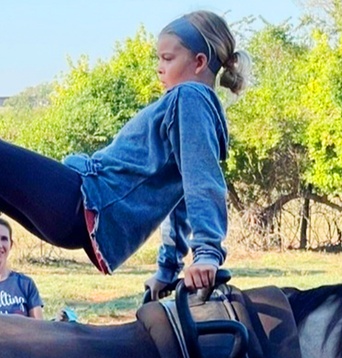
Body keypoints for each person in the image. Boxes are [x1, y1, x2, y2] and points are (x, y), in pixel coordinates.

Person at [0, 11, 251, 300]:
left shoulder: (190, 97)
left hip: (80, 202)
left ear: (199, 62)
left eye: (167, 59)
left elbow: (202, 181)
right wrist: (167, 269)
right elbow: (181, 198)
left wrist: (207, 253)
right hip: (74, 217)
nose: (159, 68)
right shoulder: (187, 107)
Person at [0, 218, 44, 318]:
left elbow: (39, 325)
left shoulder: (25, 284)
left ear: (11, 245)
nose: (0, 245)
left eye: (4, 239)